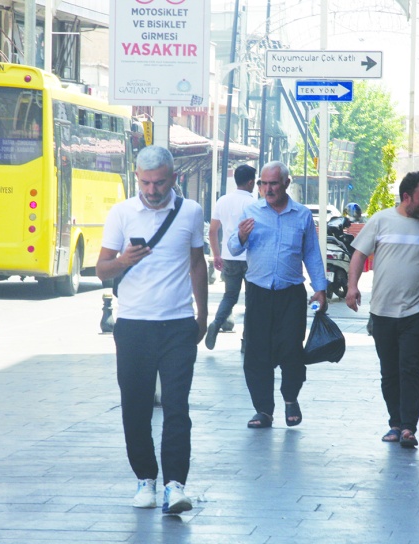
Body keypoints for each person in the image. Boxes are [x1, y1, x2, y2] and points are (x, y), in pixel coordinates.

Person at [95, 145, 207, 515]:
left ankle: (175, 485)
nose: (152, 190)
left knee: (177, 408)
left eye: (159, 182)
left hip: (177, 325)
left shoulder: (190, 212)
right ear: (137, 178)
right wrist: (123, 260)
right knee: (136, 407)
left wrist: (203, 314)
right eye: (145, 182)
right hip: (133, 327)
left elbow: (196, 263)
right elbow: (102, 269)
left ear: (174, 178)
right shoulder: (122, 212)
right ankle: (145, 477)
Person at [345, 171, 419, 448]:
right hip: (383, 312)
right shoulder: (381, 220)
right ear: (406, 197)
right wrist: (352, 287)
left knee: (411, 369)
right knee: (389, 371)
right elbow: (359, 255)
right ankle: (395, 423)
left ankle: (409, 427)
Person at [228, 161, 327, 429]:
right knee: (256, 352)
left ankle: (291, 398)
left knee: (291, 350)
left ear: (286, 183)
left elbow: (311, 254)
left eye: (273, 183)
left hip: (291, 294)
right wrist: (240, 235)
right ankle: (263, 410)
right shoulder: (251, 212)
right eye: (263, 183)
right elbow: (233, 249)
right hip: (258, 293)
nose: (267, 189)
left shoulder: (302, 215)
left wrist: (320, 289)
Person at [205, 164, 256, 351]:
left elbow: (212, 231)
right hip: (251, 258)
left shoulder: (223, 201)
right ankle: (246, 341)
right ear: (251, 182)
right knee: (252, 300)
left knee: (230, 296)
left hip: (229, 256)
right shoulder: (253, 203)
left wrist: (217, 254)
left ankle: (216, 324)